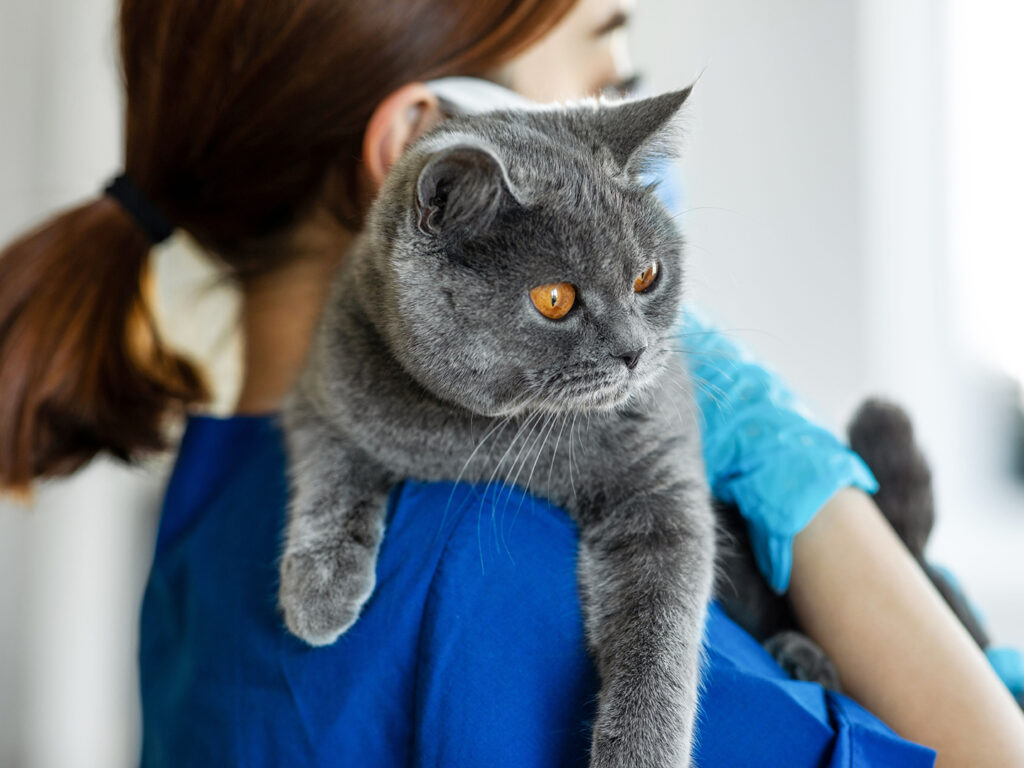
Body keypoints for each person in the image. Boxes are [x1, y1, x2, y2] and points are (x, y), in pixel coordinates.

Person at [1, 0, 1022, 765]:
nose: (623, 148)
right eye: (605, 94)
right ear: (423, 157)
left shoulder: (207, 508)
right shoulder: (493, 560)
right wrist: (820, 495)